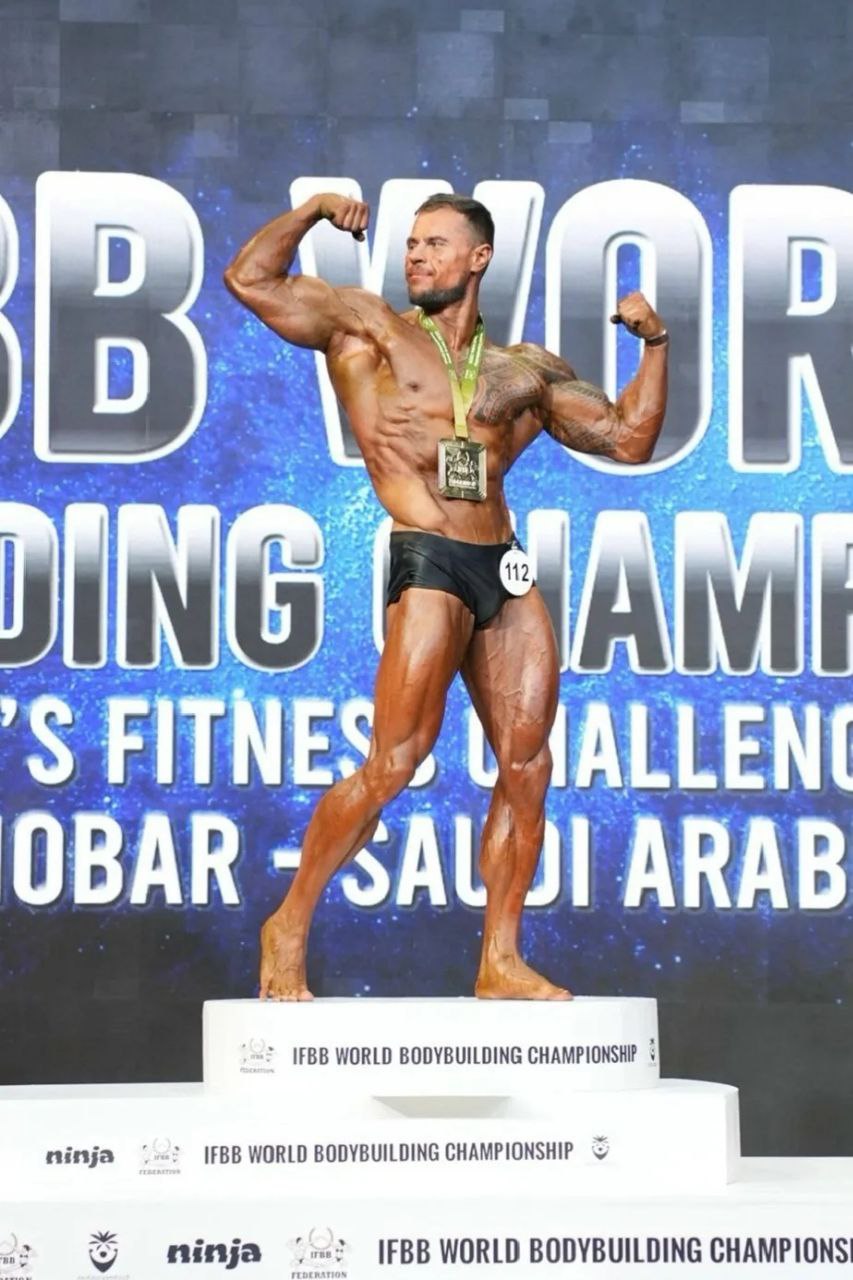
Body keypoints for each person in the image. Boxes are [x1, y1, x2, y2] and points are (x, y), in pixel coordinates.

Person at [224, 191, 668, 1001]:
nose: (416, 256)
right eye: (411, 245)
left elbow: (628, 440)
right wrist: (313, 211)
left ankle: (500, 959)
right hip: (427, 555)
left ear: (478, 257)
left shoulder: (524, 370)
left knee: (527, 766)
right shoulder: (367, 330)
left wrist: (655, 345)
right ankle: (287, 923)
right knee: (394, 761)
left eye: (434, 244)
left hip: (501, 565)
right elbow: (250, 280)